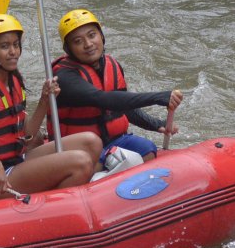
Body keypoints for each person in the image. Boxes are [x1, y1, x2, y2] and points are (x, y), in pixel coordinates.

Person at [0, 14, 101, 200]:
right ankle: (52, 209)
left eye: (16, 44)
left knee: (91, 142)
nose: (13, 52)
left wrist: (44, 100)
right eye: (5, 46)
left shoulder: (13, 81)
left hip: (15, 161)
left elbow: (26, 137)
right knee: (80, 162)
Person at [50, 9, 183, 166]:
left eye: (92, 35)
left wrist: (157, 124)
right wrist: (157, 97)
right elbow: (103, 99)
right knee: (95, 165)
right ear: (69, 49)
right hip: (81, 148)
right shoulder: (65, 76)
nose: (88, 44)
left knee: (148, 150)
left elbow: (122, 107)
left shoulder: (112, 65)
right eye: (78, 41)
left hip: (114, 141)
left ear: (101, 36)